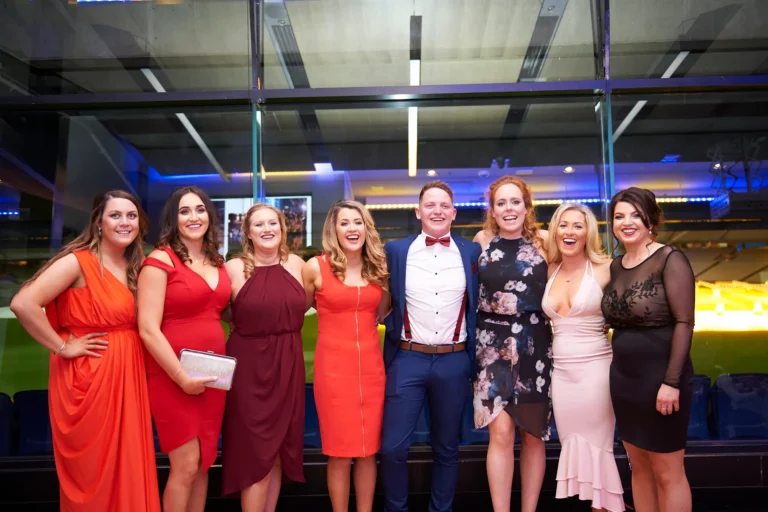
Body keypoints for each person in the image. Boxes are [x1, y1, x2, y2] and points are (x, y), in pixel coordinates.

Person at [10, 190, 160, 511]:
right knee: (95, 472)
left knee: (128, 462)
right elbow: (23, 303)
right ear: (98, 222)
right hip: (91, 375)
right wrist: (62, 346)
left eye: (131, 216)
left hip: (129, 375)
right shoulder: (78, 262)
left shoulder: (138, 265)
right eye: (115, 215)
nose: (124, 222)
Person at [380, 181, 481, 512]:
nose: (437, 211)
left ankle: (442, 509)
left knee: (447, 447)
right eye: (430, 205)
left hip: (454, 360)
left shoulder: (471, 252)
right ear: (418, 211)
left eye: (443, 205)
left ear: (454, 212)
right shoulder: (396, 250)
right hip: (407, 357)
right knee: (393, 449)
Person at [601, 187, 694, 512]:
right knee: (638, 468)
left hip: (662, 381)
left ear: (651, 220)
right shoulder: (616, 266)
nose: (627, 222)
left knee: (668, 473)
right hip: (624, 382)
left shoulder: (669, 258)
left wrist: (671, 382)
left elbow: (684, 322)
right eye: (619, 216)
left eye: (636, 215)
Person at [138, 186, 231, 512]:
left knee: (204, 462)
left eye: (200, 209)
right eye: (185, 211)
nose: (194, 217)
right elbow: (148, 329)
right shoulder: (160, 259)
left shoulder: (218, 260)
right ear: (173, 219)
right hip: (171, 376)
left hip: (212, 377)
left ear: (210, 215)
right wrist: (180, 377)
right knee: (186, 464)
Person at [302, 200, 390, 512]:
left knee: (368, 451)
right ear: (334, 229)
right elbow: (295, 311)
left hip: (371, 371)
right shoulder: (315, 267)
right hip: (333, 373)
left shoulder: (379, 270)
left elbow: (383, 313)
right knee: (339, 452)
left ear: (366, 228)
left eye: (358, 222)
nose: (352, 228)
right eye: (345, 223)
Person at [472, 175, 552, 512]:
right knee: (500, 434)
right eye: (501, 202)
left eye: (515, 201)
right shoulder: (481, 241)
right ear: (492, 209)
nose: (508, 208)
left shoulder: (546, 242)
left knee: (533, 435)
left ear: (527, 206)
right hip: (491, 347)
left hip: (535, 345)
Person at [221, 204, 307, 511]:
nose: (267, 229)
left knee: (278, 450)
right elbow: (217, 311)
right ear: (247, 232)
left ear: (284, 228)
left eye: (273, 223)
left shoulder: (299, 265)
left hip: (289, 364)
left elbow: (312, 303)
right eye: (259, 224)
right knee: (254, 452)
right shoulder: (232, 268)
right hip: (249, 370)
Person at [543, 203, 624, 512]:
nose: (570, 232)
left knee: (599, 451)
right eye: (563, 225)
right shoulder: (550, 268)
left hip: (596, 373)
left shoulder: (606, 268)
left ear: (589, 231)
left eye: (578, 225)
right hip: (561, 378)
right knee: (574, 450)